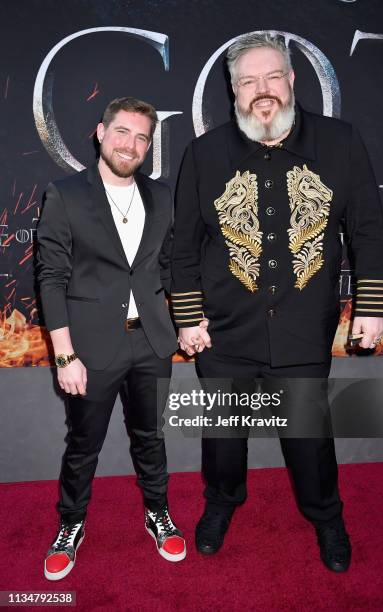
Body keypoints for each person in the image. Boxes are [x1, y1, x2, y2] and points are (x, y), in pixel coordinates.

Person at [171, 32, 383, 572]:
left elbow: (366, 231)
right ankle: (221, 504)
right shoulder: (204, 153)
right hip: (223, 329)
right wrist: (188, 315)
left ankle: (326, 516)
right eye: (248, 81)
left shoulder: (340, 141)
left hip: (303, 326)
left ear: (292, 81)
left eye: (272, 77)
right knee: (222, 436)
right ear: (233, 91)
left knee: (309, 435)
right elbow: (183, 247)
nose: (261, 90)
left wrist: (371, 306)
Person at [37, 97, 186, 581]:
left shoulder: (162, 196)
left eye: (142, 137)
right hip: (90, 348)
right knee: (83, 444)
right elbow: (51, 277)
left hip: (151, 344)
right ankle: (71, 523)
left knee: (151, 437)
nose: (132, 145)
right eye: (122, 132)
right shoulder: (66, 194)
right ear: (100, 133)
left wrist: (188, 321)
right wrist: (65, 355)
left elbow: (168, 269)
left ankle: (157, 513)